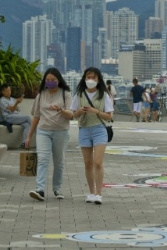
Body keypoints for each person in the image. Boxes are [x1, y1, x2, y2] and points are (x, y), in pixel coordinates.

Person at [26, 67, 73, 201]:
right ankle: (39, 189)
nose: (50, 82)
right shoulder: (41, 95)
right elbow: (36, 116)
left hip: (61, 132)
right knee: (43, 159)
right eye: (47, 80)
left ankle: (57, 188)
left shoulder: (66, 94)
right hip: (43, 131)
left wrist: (60, 110)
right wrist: (29, 136)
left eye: (53, 80)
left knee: (59, 162)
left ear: (59, 80)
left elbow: (71, 115)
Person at [71, 67, 114, 205]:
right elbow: (73, 114)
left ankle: (99, 194)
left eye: (94, 77)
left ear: (98, 79)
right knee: (88, 163)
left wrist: (96, 111)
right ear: (84, 78)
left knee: (98, 162)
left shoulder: (104, 95)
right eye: (88, 77)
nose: (90, 80)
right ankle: (91, 192)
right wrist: (80, 111)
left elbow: (109, 116)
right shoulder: (79, 94)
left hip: (99, 129)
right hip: (84, 129)